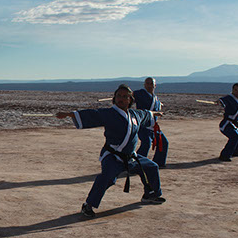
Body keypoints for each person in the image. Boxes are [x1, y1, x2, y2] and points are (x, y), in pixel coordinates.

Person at [56, 84, 165, 219]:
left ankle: (150, 194)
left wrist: (156, 113)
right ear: (114, 98)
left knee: (151, 167)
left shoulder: (135, 115)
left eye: (124, 97)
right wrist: (68, 114)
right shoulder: (108, 114)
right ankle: (88, 205)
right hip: (113, 156)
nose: (121, 99)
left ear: (130, 100)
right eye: (118, 96)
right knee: (107, 177)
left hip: (130, 157)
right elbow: (91, 114)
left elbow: (147, 114)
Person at [134, 77, 168, 167]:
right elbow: (131, 96)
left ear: (155, 85)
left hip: (153, 126)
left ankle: (158, 163)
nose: (149, 85)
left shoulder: (156, 99)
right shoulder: (140, 94)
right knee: (146, 144)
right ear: (144, 85)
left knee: (163, 142)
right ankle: (136, 164)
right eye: (147, 83)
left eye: (151, 84)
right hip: (143, 126)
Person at [217, 83, 238, 162]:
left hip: (234, 123)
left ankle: (236, 151)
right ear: (232, 90)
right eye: (235, 90)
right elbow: (222, 100)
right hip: (226, 124)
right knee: (235, 136)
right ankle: (224, 155)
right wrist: (219, 102)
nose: (237, 92)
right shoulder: (229, 98)